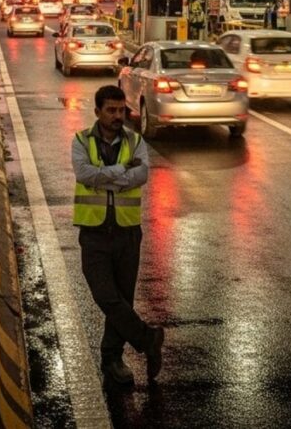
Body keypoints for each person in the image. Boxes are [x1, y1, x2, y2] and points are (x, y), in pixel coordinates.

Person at [72, 85, 163, 386]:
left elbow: (142, 175)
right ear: (97, 112)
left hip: (127, 232)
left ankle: (112, 358)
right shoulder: (81, 140)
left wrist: (107, 177)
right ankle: (147, 338)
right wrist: (122, 171)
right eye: (110, 110)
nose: (117, 116)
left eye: (121, 110)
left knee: (123, 298)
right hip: (94, 233)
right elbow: (84, 174)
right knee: (106, 296)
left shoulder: (135, 140)